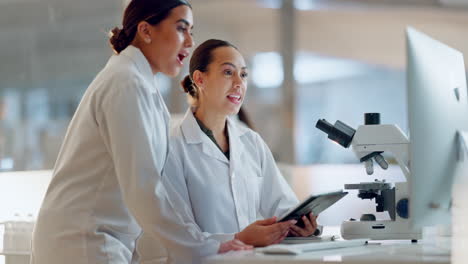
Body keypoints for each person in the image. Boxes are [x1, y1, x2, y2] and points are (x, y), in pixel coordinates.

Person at [32, 2, 293, 264]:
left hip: (106, 239)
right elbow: (144, 188)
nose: (190, 41)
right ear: (146, 31)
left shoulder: (141, 85)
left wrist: (210, 244)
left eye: (192, 30)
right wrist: (206, 246)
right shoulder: (126, 83)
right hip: (84, 241)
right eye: (181, 29)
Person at [138, 39, 318, 262]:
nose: (238, 83)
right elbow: (176, 233)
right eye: (227, 72)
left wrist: (300, 225)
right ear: (199, 79)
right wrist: (239, 237)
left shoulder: (251, 142)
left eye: (243, 75)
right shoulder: (172, 145)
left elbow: (282, 205)